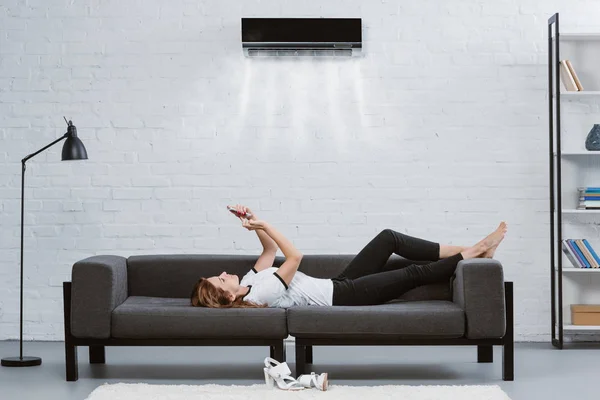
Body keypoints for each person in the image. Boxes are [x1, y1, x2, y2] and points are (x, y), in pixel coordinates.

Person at [190, 204, 507, 309]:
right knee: (412, 275)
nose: (223, 273)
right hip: (345, 297)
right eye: (220, 280)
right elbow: (294, 257)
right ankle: (477, 252)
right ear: (228, 297)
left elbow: (270, 251)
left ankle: (473, 248)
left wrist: (252, 219)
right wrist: (269, 225)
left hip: (338, 284)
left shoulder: (249, 282)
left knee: (388, 239)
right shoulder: (262, 294)